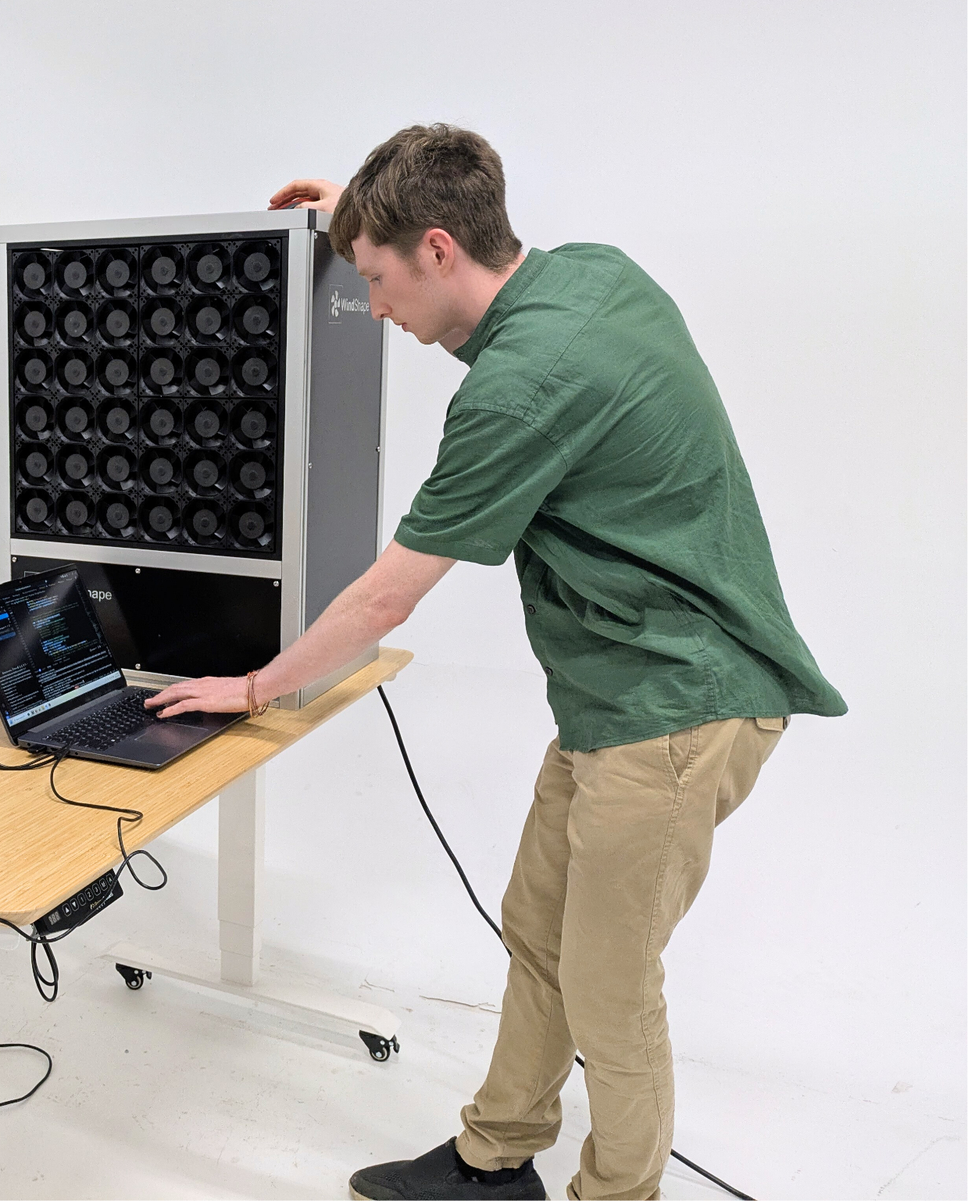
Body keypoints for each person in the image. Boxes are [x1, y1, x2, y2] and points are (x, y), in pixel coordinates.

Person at [144, 123, 846, 1201]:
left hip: (678, 709)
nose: (371, 309)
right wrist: (353, 216)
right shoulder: (594, 278)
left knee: (609, 987)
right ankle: (493, 1158)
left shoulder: (513, 395)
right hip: (616, 697)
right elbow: (475, 291)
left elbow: (387, 593)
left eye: (376, 279)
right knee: (537, 931)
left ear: (434, 248)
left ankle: (618, 1192)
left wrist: (252, 686)